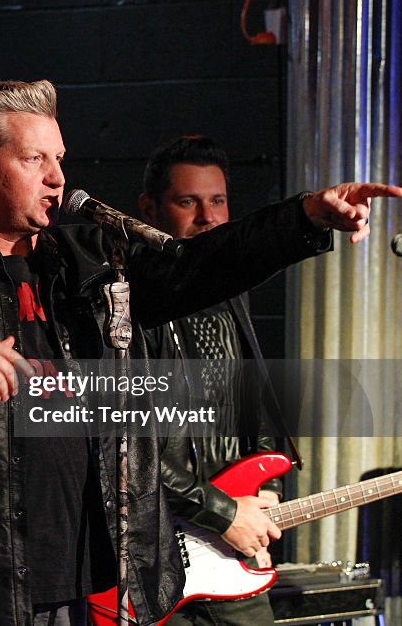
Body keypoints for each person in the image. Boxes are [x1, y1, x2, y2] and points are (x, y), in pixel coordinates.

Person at [0, 79, 401, 626]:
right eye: (34, 159)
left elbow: (202, 264)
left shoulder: (92, 263)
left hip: (91, 590)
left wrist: (304, 216)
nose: (57, 177)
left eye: (58, 158)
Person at [139, 135, 283, 624]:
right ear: (149, 210)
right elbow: (129, 450)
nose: (208, 217)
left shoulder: (231, 294)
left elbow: (253, 405)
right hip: (158, 556)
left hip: (232, 551)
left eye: (218, 201)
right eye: (188, 202)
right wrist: (222, 513)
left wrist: (269, 490)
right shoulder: (133, 311)